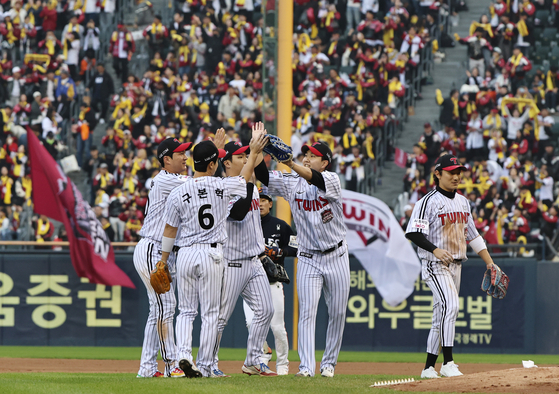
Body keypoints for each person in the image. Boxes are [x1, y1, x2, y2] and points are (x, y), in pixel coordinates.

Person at [159, 133, 268, 378]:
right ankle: (206, 365)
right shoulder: (221, 185)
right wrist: (252, 153)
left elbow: (169, 229)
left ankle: (183, 356)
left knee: (186, 311)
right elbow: (244, 179)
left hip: (185, 253)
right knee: (209, 314)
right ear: (212, 164)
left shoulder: (179, 190)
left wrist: (163, 261)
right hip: (212, 254)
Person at [254, 139, 349, 378]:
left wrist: (291, 163)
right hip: (308, 257)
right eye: (305, 153)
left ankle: (329, 364)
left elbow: (314, 178)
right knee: (307, 312)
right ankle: (306, 367)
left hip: (336, 254)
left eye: (313, 155)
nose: (307, 157)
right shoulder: (290, 182)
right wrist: (256, 150)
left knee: (337, 312)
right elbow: (263, 176)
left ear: (325, 162)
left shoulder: (332, 180)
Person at [405, 154, 496, 379]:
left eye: (458, 172)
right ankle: (448, 362)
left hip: (457, 264)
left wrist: (490, 263)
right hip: (435, 264)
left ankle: (428, 368)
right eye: (451, 172)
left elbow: (473, 235)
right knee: (451, 305)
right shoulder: (427, 201)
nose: (456, 176)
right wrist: (435, 249)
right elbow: (413, 232)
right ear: (438, 174)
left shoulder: (463, 202)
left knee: (442, 314)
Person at [211, 133, 277, 378]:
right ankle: (208, 364)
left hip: (254, 261)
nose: (245, 158)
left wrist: (257, 148)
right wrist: (248, 182)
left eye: (246, 155)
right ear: (226, 162)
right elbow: (237, 213)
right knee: (220, 318)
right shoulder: (222, 188)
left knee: (266, 310)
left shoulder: (251, 183)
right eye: (240, 156)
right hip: (231, 263)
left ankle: (252, 361)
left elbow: (262, 174)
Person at [133, 138, 194, 378]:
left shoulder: (171, 180)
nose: (185, 157)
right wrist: (215, 154)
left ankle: (147, 368)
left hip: (162, 250)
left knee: (157, 310)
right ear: (167, 159)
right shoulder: (165, 179)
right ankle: (172, 364)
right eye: (181, 153)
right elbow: (202, 183)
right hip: (153, 248)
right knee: (165, 307)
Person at [242, 188, 298, 375]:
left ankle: (282, 364)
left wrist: (280, 252)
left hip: (272, 282)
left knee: (277, 327)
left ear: (270, 204)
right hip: (250, 283)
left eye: (265, 200)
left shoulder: (280, 225)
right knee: (251, 323)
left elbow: (295, 247)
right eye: (260, 200)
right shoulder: (246, 224)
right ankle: (262, 356)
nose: (262, 203)